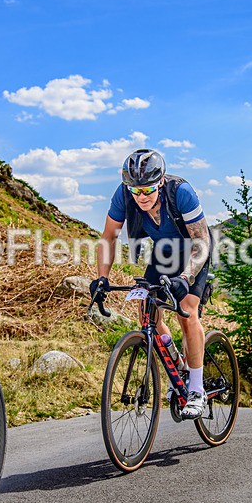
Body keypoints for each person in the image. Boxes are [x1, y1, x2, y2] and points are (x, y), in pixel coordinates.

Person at [90, 148, 212, 419]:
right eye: (135, 191)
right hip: (164, 252)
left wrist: (186, 278)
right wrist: (102, 279)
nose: (141, 197)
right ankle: (174, 362)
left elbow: (202, 241)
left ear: (160, 182)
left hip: (194, 253)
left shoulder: (181, 192)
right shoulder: (124, 195)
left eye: (147, 190)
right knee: (146, 310)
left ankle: (196, 388)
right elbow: (109, 237)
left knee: (187, 311)